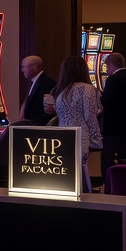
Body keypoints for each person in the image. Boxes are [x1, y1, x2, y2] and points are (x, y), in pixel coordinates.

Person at [50, 55, 102, 193]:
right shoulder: (87, 89)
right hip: (80, 137)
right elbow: (89, 117)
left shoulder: (61, 91)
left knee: (68, 178)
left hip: (62, 137)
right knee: (80, 178)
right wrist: (97, 140)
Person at [101, 53, 126, 180]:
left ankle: (109, 184)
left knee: (107, 158)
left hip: (113, 127)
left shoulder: (113, 79)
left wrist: (101, 97)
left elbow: (107, 102)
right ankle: (125, 183)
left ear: (110, 65)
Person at [19, 55, 56, 126]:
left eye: (24, 67)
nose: (22, 70)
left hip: (40, 129)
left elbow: (48, 111)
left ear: (36, 67)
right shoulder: (34, 81)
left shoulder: (48, 83)